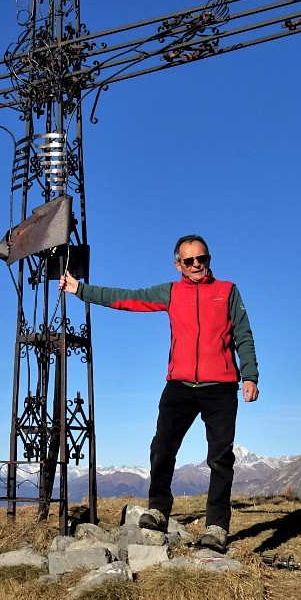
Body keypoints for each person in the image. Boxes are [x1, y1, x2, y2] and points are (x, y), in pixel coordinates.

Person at [60, 234, 258, 553]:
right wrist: (80, 289)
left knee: (220, 458)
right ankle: (158, 510)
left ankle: (217, 527)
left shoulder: (227, 291)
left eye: (202, 258)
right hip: (179, 384)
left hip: (221, 386)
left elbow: (243, 336)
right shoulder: (171, 292)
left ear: (209, 259)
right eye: (190, 260)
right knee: (162, 447)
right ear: (178, 264)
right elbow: (128, 298)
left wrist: (249, 375)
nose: (197, 265)